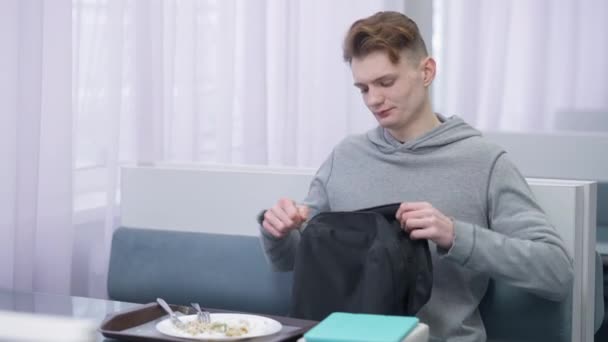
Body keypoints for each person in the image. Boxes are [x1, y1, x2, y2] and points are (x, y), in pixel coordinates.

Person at [258, 11, 573, 342]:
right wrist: (278, 232)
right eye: (362, 88)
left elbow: (556, 273)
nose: (373, 99)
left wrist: (455, 236)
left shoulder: (484, 162)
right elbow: (292, 262)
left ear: (426, 72)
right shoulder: (345, 157)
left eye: (385, 82)